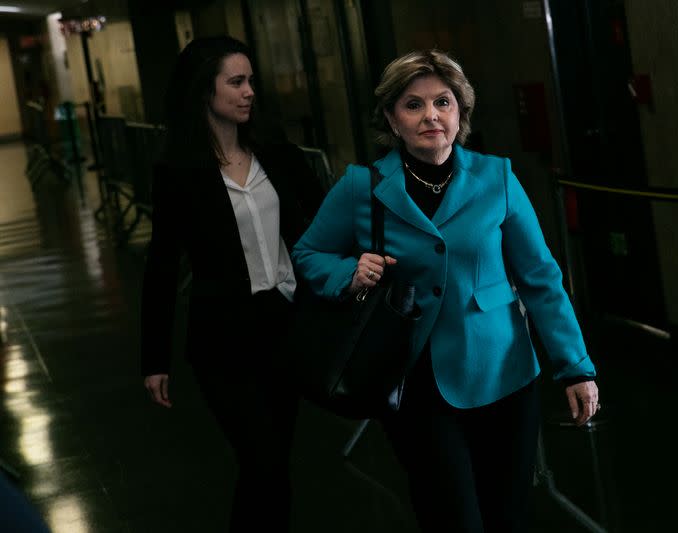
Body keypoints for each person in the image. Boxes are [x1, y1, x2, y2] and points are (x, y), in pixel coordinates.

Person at [291, 49, 600, 533]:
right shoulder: (362, 186)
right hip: (415, 383)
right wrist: (350, 271)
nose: (431, 115)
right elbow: (309, 253)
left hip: (503, 377)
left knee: (509, 517)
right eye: (413, 105)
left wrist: (575, 367)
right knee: (453, 519)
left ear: (461, 112)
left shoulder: (496, 178)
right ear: (392, 119)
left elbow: (541, 277)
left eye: (443, 102)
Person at [140, 36, 321, 532]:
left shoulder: (278, 156)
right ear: (205, 90)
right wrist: (155, 357)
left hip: (283, 327)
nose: (249, 93)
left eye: (251, 82)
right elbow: (161, 264)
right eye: (236, 82)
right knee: (260, 460)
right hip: (223, 341)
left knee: (275, 466)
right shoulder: (179, 171)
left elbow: (325, 224)